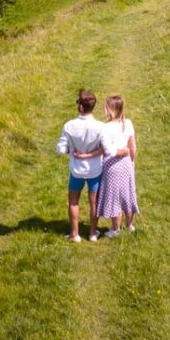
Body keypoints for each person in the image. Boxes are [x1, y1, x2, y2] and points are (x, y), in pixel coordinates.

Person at [56, 88, 129, 242]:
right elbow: (109, 151)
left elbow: (60, 149)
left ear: (80, 107)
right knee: (94, 203)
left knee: (73, 201)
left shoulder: (69, 126)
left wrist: (72, 150)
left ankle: (74, 234)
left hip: (76, 171)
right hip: (95, 171)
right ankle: (92, 233)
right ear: (92, 107)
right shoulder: (100, 127)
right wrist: (124, 151)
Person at [75, 94, 138, 237]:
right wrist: (132, 161)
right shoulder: (128, 123)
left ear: (111, 109)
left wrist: (85, 155)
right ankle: (129, 225)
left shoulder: (105, 127)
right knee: (127, 194)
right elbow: (133, 146)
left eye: (106, 106)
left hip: (111, 166)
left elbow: (102, 151)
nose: (104, 108)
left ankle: (115, 230)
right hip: (127, 164)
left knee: (115, 197)